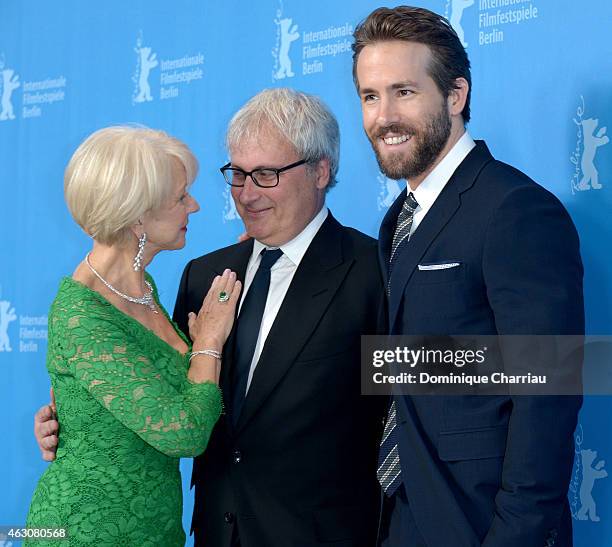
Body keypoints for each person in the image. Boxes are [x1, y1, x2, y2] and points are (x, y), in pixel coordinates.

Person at [352, 7, 584, 547]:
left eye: (404, 92)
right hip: (405, 514)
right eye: (370, 96)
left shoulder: (515, 209)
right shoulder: (397, 222)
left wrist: (514, 536)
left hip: (480, 522)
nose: (383, 116)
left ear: (455, 96)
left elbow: (549, 392)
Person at [172, 88, 385, 546]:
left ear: (320, 171)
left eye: (266, 174)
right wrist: (74, 420)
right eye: (237, 174)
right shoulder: (203, 275)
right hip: (216, 534)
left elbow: (404, 417)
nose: (246, 194)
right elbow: (170, 401)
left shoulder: (374, 271)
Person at [27, 126, 240, 546]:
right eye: (181, 197)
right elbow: (184, 431)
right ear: (138, 215)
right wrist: (209, 342)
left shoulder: (141, 289)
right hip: (87, 531)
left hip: (151, 525)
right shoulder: (81, 314)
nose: (194, 206)